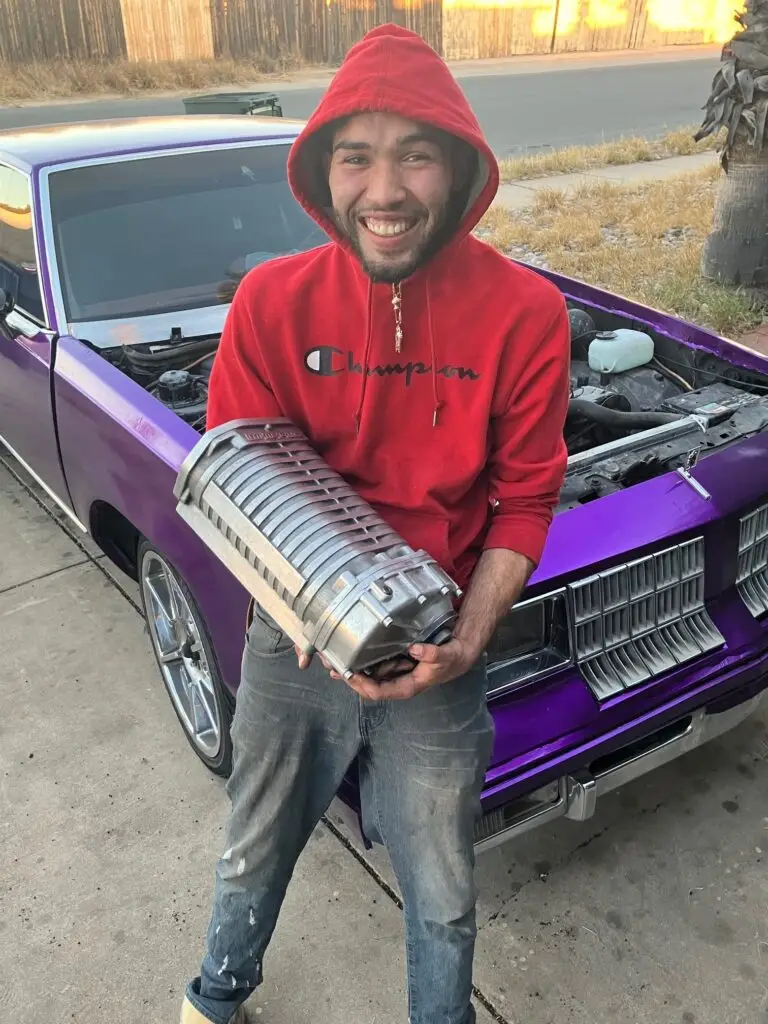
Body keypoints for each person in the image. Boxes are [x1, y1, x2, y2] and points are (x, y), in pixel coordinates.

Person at [181, 22, 570, 1024]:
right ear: (324, 171)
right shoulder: (271, 303)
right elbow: (238, 495)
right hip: (292, 645)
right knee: (254, 841)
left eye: (415, 154)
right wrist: (306, 617)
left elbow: (526, 495)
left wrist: (468, 638)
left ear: (459, 169)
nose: (385, 189)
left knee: (439, 886)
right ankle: (215, 998)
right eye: (356, 155)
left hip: (439, 652)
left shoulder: (523, 313)